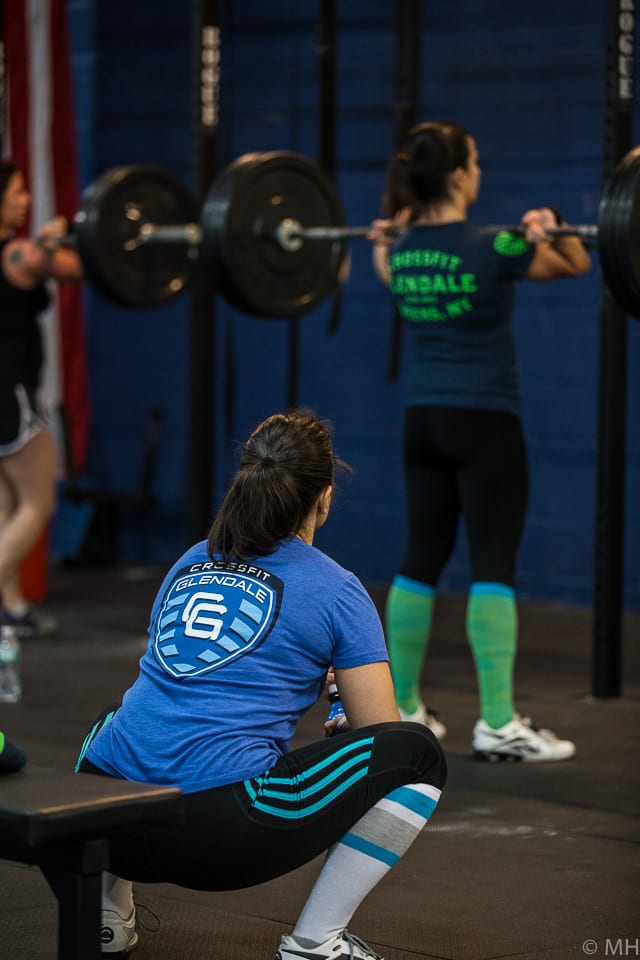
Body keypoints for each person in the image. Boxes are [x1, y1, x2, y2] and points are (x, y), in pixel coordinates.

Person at [75, 410, 447, 960]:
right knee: (417, 755)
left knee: (123, 716)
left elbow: (175, 670)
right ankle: (316, 944)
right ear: (324, 497)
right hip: (217, 835)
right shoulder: (339, 589)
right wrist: (342, 705)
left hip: (101, 823)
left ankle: (107, 915)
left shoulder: (190, 559)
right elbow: (379, 734)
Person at [369, 121, 591, 761]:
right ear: (461, 174)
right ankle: (497, 721)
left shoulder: (402, 248)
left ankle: (402, 708)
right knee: (493, 564)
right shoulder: (493, 243)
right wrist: (551, 226)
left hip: (423, 422)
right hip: (486, 420)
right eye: (477, 161)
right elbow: (575, 263)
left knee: (420, 559)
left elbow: (388, 272)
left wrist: (385, 239)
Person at [0, 160, 84, 637]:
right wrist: (57, 239)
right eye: (16, 192)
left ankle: (11, 609)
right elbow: (85, 268)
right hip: (11, 393)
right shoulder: (16, 255)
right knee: (37, 502)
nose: (26, 200)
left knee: (5, 508)